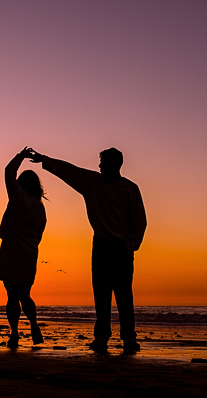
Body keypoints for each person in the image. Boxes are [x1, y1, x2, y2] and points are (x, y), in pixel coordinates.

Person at [27, 147, 146, 353]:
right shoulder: (92, 182)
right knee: (101, 295)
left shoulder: (130, 189)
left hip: (122, 249)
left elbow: (139, 220)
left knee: (124, 296)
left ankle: (128, 337)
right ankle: (101, 336)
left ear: (115, 164)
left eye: (103, 162)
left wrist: (130, 244)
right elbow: (69, 171)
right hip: (101, 245)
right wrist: (44, 160)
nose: (99, 166)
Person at [0, 147, 47, 348]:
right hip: (29, 253)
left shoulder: (17, 198)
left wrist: (20, 156)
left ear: (21, 184)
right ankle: (34, 325)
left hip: (12, 252)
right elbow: (39, 235)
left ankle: (14, 333)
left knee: (12, 296)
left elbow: (8, 172)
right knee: (26, 295)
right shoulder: (40, 208)